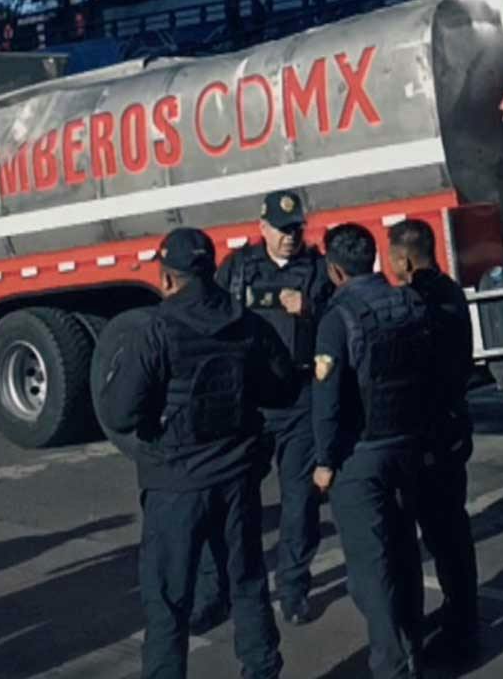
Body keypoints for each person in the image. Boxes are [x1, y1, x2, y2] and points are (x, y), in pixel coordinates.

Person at [104, 227, 292, 679]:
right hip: (237, 479)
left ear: (167, 279)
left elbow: (120, 412)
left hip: (176, 483)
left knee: (169, 602)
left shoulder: (155, 329)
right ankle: (263, 671)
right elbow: (283, 389)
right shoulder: (247, 323)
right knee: (247, 583)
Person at [197, 190, 334, 626]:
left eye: (296, 229)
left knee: (299, 504)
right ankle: (226, 588)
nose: (290, 238)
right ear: (261, 228)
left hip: (298, 399)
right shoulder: (237, 270)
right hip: (249, 403)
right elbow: (210, 321)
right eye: (281, 229)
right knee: (234, 503)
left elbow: (338, 324)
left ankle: (293, 589)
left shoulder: (316, 270)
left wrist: (310, 309)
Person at [312, 223, 432, 679]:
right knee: (404, 552)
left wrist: (324, 462)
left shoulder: (336, 318)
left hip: (360, 456)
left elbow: (326, 402)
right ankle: (413, 644)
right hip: (408, 446)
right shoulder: (407, 301)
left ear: (334, 270)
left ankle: (392, 665)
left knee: (370, 569)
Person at [385, 219, 480, 663]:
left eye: (391, 257)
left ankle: (459, 632)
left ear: (404, 259)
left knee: (440, 534)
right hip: (453, 427)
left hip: (428, 434)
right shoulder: (451, 292)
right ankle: (461, 615)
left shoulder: (416, 302)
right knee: (452, 532)